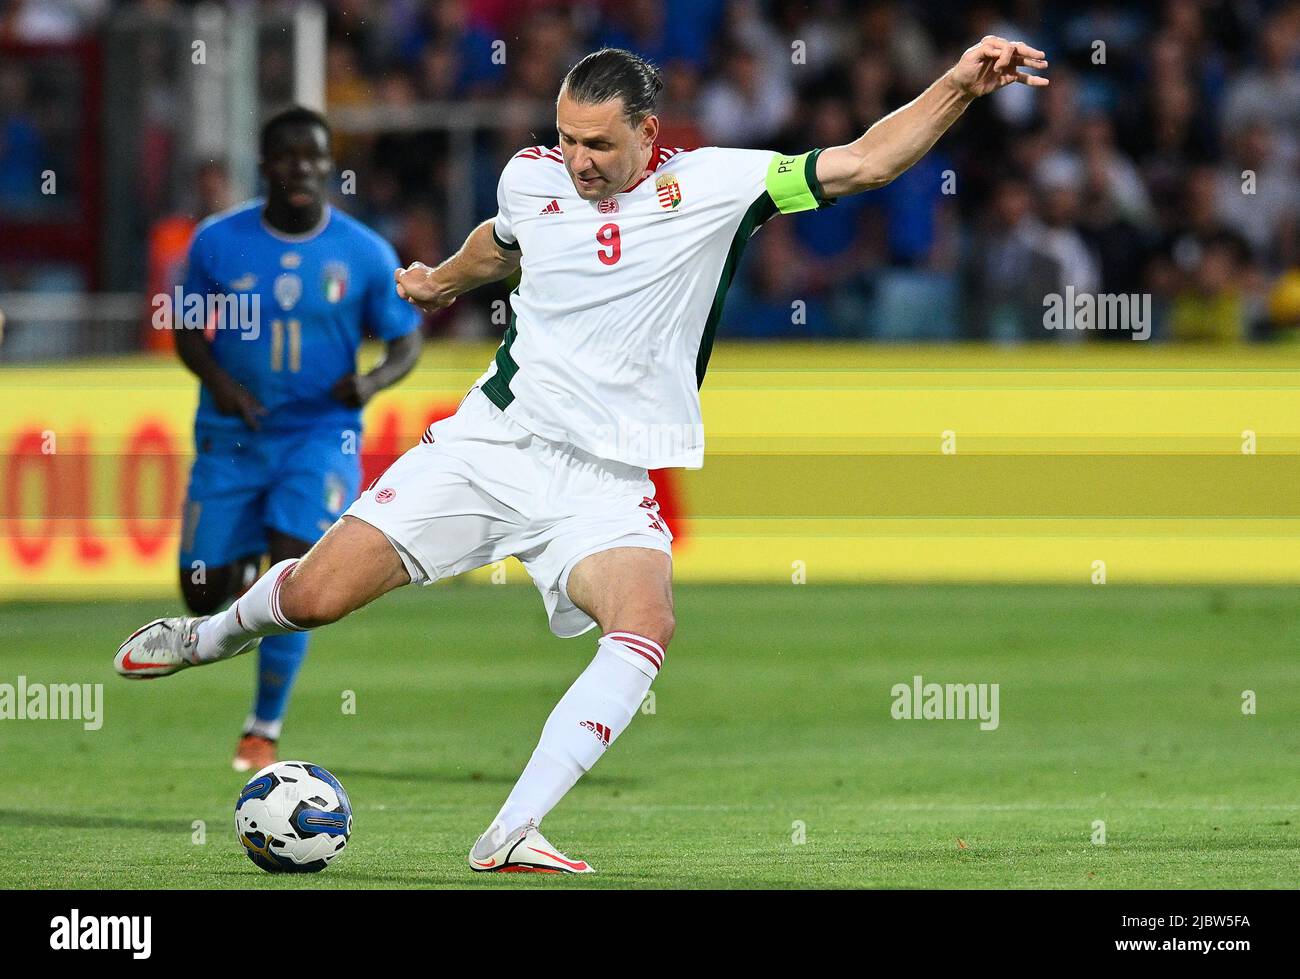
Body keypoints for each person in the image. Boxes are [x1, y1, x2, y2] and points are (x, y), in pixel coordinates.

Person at [116, 40, 1048, 873]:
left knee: (646, 623)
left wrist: (958, 85)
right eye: (566, 139)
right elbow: (508, 242)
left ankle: (511, 831)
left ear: (649, 133)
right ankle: (205, 637)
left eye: (599, 144)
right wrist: (443, 279)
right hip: (493, 442)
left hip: (604, 481)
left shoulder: (723, 185)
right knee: (315, 596)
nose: (579, 161)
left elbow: (865, 162)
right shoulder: (533, 175)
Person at [165, 106, 422, 772]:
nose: (301, 168)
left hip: (319, 437)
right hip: (232, 436)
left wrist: (370, 384)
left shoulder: (364, 252)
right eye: (287, 156)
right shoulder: (218, 242)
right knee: (200, 589)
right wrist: (219, 382)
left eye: (313, 156)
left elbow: (406, 340)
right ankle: (244, 573)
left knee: (296, 574)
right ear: (265, 164)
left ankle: (263, 727)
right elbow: (187, 329)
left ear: (329, 164)